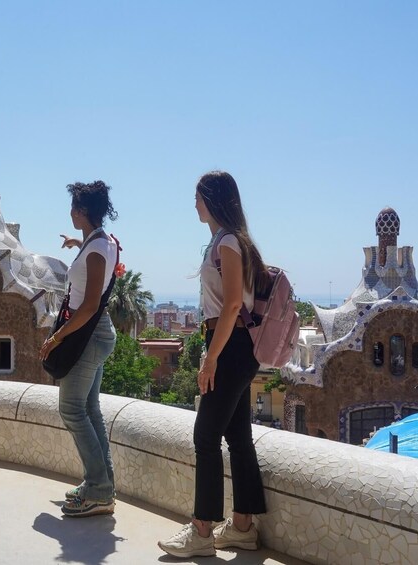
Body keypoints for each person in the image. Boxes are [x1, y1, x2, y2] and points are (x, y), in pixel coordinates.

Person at [158, 171, 267, 558]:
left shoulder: (229, 243)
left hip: (230, 345)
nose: (194, 203)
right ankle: (242, 527)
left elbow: (234, 304)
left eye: (198, 196)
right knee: (237, 437)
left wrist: (210, 357)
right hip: (233, 344)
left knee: (205, 437)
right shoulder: (226, 241)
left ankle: (202, 531)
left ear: (213, 199)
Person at [39, 180, 119, 518]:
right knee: (90, 408)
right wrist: (79, 244)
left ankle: (99, 489)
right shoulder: (100, 242)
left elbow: (88, 305)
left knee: (72, 409)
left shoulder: (98, 248)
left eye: (74, 207)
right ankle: (101, 486)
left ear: (83, 211)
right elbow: (90, 274)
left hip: (88, 332)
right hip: (94, 333)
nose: (70, 212)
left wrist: (55, 338)